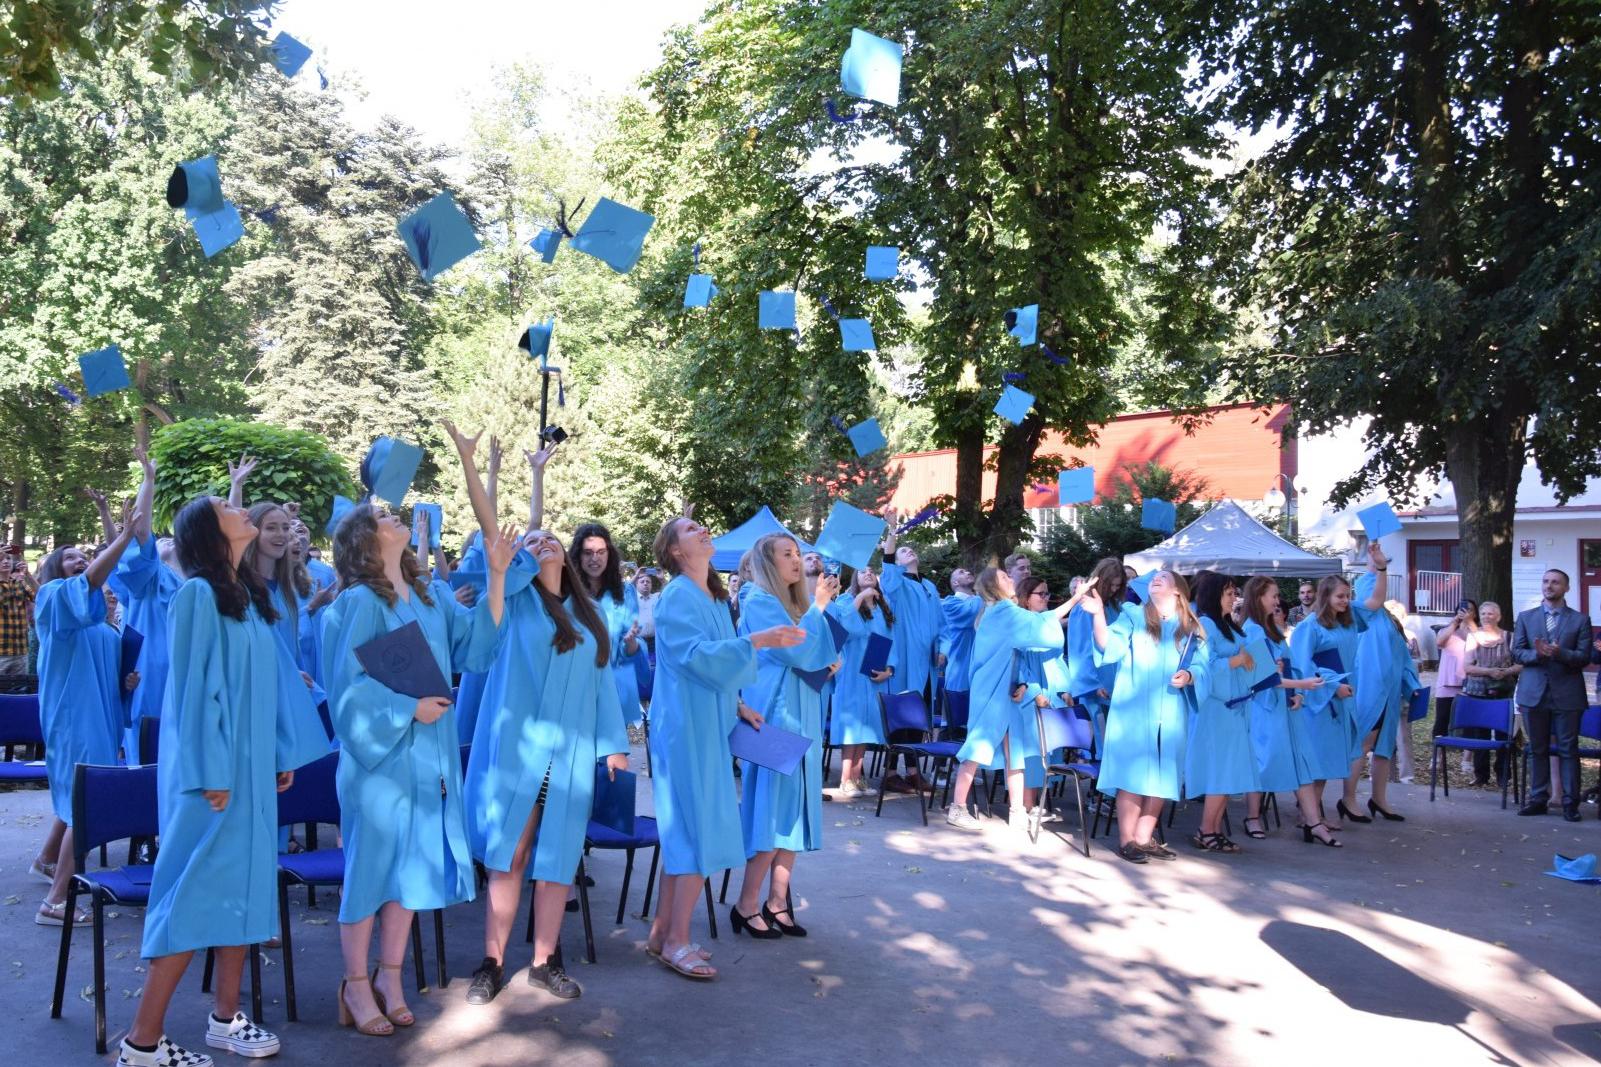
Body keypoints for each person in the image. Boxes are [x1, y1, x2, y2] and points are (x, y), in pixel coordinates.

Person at [118, 494, 327, 1067]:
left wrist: (281, 753)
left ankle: (226, 1018)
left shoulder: (249, 596)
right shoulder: (197, 595)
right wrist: (213, 772)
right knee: (190, 899)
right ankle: (141, 1044)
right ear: (209, 530)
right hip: (211, 780)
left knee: (244, 894)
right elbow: (191, 694)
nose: (242, 512)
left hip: (251, 774)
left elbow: (269, 687)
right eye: (227, 507)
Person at [322, 421, 514, 1037]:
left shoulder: (430, 598)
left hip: (427, 757)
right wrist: (407, 710)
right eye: (383, 517)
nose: (396, 518)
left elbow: (476, 647)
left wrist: (500, 577)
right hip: (380, 763)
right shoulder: (354, 604)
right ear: (361, 540)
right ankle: (354, 985)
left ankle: (389, 975)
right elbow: (346, 690)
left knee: (407, 875)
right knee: (371, 874)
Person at [645, 511, 806, 980]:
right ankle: (676, 941)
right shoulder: (676, 596)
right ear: (675, 551)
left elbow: (713, 662)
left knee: (688, 833)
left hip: (710, 724)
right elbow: (692, 657)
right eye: (690, 530)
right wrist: (757, 640)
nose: (703, 531)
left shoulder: (714, 597)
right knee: (694, 833)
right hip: (684, 729)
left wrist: (738, 704)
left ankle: (661, 935)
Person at [32, 499, 142, 926]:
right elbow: (93, 580)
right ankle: (56, 901)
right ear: (55, 572)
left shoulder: (102, 626)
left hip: (101, 716)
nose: (80, 561)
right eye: (70, 558)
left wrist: (124, 684)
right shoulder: (51, 599)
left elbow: (99, 586)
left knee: (77, 796)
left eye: (83, 555)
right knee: (85, 800)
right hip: (72, 717)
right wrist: (124, 535)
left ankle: (45, 860)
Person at [732, 534, 839, 938]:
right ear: (767, 562)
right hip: (775, 715)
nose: (797, 561)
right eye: (788, 555)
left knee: (795, 813)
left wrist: (828, 654)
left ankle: (777, 903)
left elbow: (819, 653)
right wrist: (819, 608)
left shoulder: (796, 604)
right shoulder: (757, 599)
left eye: (798, 554)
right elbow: (795, 652)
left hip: (803, 711)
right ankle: (745, 905)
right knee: (771, 814)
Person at [945, 568, 1086, 834]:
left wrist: (1021, 683)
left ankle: (1018, 811)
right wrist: (1076, 598)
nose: (1011, 579)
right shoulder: (1002, 612)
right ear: (994, 586)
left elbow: (1033, 630)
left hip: (1005, 689)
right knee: (978, 747)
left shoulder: (1000, 611)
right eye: (1005, 577)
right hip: (991, 691)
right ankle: (958, 807)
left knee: (1015, 752)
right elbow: (1042, 623)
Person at [1083, 569, 1209, 863]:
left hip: (1171, 710)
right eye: (1154, 577)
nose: (1156, 578)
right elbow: (1108, 646)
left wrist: (1190, 675)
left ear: (1178, 590)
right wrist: (1098, 614)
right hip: (1134, 709)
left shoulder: (1191, 627)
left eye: (1164, 577)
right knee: (1132, 773)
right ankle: (1127, 840)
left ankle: (1144, 837)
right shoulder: (1133, 615)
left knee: (1165, 774)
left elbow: (1204, 667)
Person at [1239, 577, 1336, 845]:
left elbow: (1290, 666)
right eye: (1273, 595)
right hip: (1265, 709)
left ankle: (1313, 822)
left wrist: (1300, 693)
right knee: (1262, 762)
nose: (1277, 600)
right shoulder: (1252, 631)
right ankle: (1253, 817)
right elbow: (1262, 678)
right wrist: (1302, 685)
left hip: (1287, 707)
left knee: (1301, 762)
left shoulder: (1273, 630)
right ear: (1259, 597)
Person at [1288, 554, 1376, 828]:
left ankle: (1314, 813)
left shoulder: (1346, 624)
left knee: (1327, 760)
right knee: (1317, 759)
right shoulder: (1309, 626)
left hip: (1342, 700)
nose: (1345, 601)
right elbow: (1302, 666)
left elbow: (1374, 603)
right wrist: (1333, 686)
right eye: (1340, 596)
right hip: (1319, 703)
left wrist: (1378, 567)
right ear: (1325, 596)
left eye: (1348, 595)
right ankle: (1310, 816)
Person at [110, 451, 184, 767]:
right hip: (150, 673)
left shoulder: (195, 580)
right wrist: (149, 481)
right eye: (160, 540)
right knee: (149, 749)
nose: (163, 540)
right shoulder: (147, 578)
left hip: (184, 670)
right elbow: (140, 533)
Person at [1183, 573, 1261, 853]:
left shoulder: (1229, 625)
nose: (1233, 598)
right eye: (1228, 593)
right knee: (1219, 770)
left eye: (1234, 592)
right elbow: (1202, 666)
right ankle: (1206, 830)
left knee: (1230, 771)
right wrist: (1236, 660)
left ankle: (1215, 828)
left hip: (1235, 706)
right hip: (1217, 709)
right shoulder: (1205, 624)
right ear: (1214, 596)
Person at [1512, 569, 1593, 821]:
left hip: (1567, 695)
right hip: (1533, 693)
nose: (1549, 586)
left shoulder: (1580, 620)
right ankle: (1538, 798)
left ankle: (1570, 803)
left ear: (1566, 588)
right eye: (1546, 581)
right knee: (1538, 749)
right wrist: (1538, 654)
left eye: (1555, 582)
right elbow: (1516, 653)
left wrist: (1560, 653)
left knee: (1568, 749)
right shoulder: (1526, 617)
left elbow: (1584, 658)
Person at [1344, 562, 1418, 821]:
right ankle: (1349, 799)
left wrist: (1413, 686)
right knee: (1363, 743)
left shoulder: (1390, 622)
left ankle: (1379, 798)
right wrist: (1376, 568)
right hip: (1369, 690)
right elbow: (1369, 588)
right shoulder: (1364, 617)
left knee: (1384, 747)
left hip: (1390, 692)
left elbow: (1404, 659)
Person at [876, 514, 939, 793]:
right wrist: (892, 533)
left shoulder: (930, 587)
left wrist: (944, 650)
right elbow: (888, 569)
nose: (908, 550)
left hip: (928, 664)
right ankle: (891, 773)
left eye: (910, 549)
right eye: (903, 550)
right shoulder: (896, 584)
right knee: (900, 714)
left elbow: (943, 626)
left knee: (919, 715)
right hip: (904, 659)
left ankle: (913, 772)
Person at [826, 566, 896, 799]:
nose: (868, 573)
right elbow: (845, 630)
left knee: (867, 726)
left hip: (874, 674)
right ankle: (846, 780)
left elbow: (891, 640)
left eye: (872, 571)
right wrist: (860, 598)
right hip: (852, 672)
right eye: (862, 571)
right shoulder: (846, 601)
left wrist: (889, 669)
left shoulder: (883, 606)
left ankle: (858, 777)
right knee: (852, 725)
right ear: (855, 578)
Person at [570, 521, 646, 733]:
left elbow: (630, 645)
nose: (595, 558)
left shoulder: (624, 593)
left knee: (610, 761)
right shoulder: (566, 592)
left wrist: (631, 644)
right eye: (588, 553)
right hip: (574, 688)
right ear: (578, 555)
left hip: (612, 688)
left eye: (601, 552)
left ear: (609, 555)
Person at [1064, 558, 1127, 750]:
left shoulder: (1115, 607)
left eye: (1118, 586)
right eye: (1111, 585)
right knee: (1104, 741)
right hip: (1096, 687)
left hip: (1116, 683)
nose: (1114, 589)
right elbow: (1080, 649)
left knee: (1118, 741)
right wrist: (1092, 684)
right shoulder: (1085, 607)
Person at [1459, 600, 1519, 786]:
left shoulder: (1510, 637)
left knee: (1503, 735)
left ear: (1499, 616)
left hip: (1503, 692)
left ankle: (1503, 776)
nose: (1486, 617)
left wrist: (1505, 672)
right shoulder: (1472, 637)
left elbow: (1521, 664)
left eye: (1490, 613)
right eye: (1483, 613)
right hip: (1477, 692)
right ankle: (1481, 776)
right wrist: (1488, 671)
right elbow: (1467, 666)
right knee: (1480, 735)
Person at [1430, 600, 1478, 744]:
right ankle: (1438, 755)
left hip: (1470, 683)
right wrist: (1454, 622)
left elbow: (1482, 643)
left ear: (1475, 614)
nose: (1466, 612)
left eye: (1469, 610)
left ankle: (1467, 758)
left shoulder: (1478, 631)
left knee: (1471, 722)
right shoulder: (1449, 629)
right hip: (1447, 682)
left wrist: (1470, 623)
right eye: (1463, 609)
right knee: (1442, 720)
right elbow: (1439, 642)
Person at [938, 568, 982, 696]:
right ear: (955, 583)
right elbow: (971, 612)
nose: (968, 572)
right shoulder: (949, 604)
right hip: (960, 675)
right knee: (957, 715)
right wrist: (983, 593)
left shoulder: (980, 601)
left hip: (980, 673)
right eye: (962, 572)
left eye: (968, 571)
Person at [0, 546, 36, 676]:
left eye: (8, 558)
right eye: (1, 559)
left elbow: (40, 597)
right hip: (1, 652)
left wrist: (28, 575)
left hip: (20, 650)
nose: (6, 562)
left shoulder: (19, 582)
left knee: (19, 691)